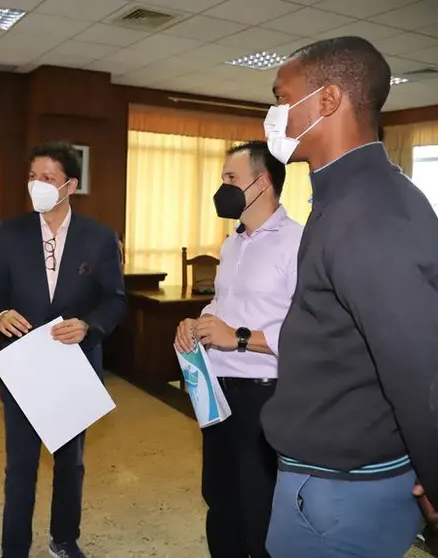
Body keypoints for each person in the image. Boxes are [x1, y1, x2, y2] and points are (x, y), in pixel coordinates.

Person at [259, 36, 438, 557]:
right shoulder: (346, 197)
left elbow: (426, 378)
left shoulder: (368, 216)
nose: (274, 114)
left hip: (343, 495)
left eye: (281, 97)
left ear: (328, 100)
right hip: (326, 481)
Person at [0, 141, 127, 558]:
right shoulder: (10, 232)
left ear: (70, 184)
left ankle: (63, 538)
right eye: (32, 177)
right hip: (23, 365)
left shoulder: (98, 237)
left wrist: (89, 325)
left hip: (73, 365)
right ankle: (15, 548)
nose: (37, 185)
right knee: (21, 465)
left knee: (70, 463)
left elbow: (115, 299)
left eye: (47, 178)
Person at [175, 141, 303, 558]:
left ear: (263, 182)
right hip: (217, 387)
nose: (223, 187)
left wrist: (242, 337)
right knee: (220, 498)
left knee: (258, 505)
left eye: (231, 179)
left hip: (264, 393)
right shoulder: (234, 243)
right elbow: (225, 304)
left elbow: (311, 329)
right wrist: (198, 321)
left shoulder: (298, 244)